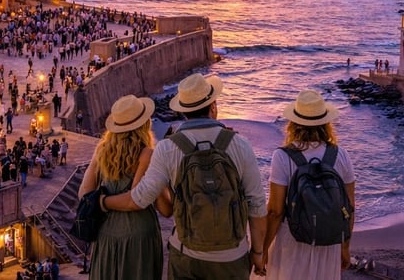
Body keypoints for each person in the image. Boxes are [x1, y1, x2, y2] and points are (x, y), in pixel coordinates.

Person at [104, 73, 267, 278]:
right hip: (232, 257)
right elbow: (257, 205)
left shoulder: (167, 148)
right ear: (213, 106)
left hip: (186, 257)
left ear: (183, 112)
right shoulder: (240, 145)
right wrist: (258, 252)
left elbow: (139, 199)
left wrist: (103, 201)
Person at [263, 90, 355, 280]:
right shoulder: (341, 155)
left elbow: (275, 211)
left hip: (292, 241)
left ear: (293, 123)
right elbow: (349, 208)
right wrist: (344, 247)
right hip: (328, 242)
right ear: (325, 123)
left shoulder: (282, 157)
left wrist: (262, 249)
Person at [79, 94, 170, 280]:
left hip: (107, 234)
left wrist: (102, 201)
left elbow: (84, 193)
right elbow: (165, 209)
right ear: (145, 125)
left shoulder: (102, 151)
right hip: (140, 236)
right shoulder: (148, 155)